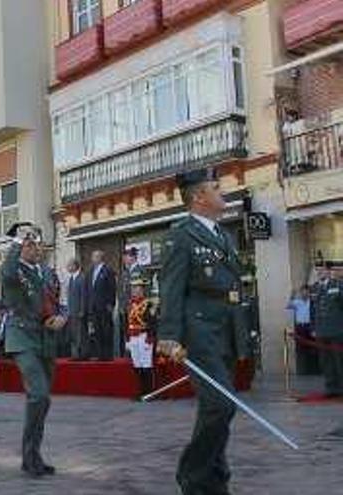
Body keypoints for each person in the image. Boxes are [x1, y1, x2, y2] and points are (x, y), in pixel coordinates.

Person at [157, 168, 248, 495]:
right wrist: (169, 335)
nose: (221, 191)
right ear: (198, 197)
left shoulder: (222, 235)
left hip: (224, 330)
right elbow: (171, 287)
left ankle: (214, 477)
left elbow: (232, 288)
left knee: (214, 407)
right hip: (199, 333)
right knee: (221, 405)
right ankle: (193, 474)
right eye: (215, 187)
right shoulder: (181, 234)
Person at [1, 222, 66, 478]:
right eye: (29, 243)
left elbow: (58, 301)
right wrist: (17, 241)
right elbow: (7, 272)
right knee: (38, 394)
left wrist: (62, 317)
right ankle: (30, 456)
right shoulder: (13, 270)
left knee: (43, 400)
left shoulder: (47, 272)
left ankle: (32, 456)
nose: (35, 247)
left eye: (37, 242)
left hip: (46, 338)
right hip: (22, 337)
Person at [310, 262, 343, 397]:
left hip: (337, 329)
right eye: (317, 270)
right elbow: (312, 310)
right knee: (325, 360)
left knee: (339, 359)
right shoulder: (315, 287)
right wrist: (313, 327)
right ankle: (330, 387)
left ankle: (341, 387)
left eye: (321, 270)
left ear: (328, 271)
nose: (319, 272)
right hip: (321, 330)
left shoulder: (338, 285)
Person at [126, 278, 155, 399]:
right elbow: (126, 322)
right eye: (133, 288)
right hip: (133, 336)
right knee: (137, 364)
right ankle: (140, 391)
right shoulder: (130, 304)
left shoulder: (149, 303)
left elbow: (153, 322)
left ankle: (149, 392)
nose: (135, 291)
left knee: (146, 364)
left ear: (142, 290)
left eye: (138, 288)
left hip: (144, 335)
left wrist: (150, 336)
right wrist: (127, 338)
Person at [86, 250, 116, 360]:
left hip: (104, 306)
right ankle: (99, 354)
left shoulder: (107, 270)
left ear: (100, 258)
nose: (92, 259)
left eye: (94, 256)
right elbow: (89, 290)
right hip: (94, 307)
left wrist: (111, 304)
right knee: (97, 331)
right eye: (92, 256)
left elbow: (112, 288)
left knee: (106, 330)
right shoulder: (91, 271)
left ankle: (108, 355)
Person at [287, 285, 319, 375]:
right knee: (301, 349)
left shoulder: (312, 302)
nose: (305, 293)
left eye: (307, 291)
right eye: (303, 292)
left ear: (309, 292)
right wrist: (292, 295)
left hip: (310, 327)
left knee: (313, 349)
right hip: (300, 327)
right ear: (301, 293)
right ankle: (302, 371)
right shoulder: (297, 302)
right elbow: (288, 306)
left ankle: (313, 370)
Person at [118, 247, 143, 356]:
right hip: (125, 308)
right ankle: (128, 353)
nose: (124, 259)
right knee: (127, 333)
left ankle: (136, 354)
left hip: (135, 309)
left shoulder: (139, 271)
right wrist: (121, 306)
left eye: (126, 256)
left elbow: (139, 292)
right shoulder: (125, 273)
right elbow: (121, 291)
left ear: (133, 257)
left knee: (136, 333)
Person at [65, 259, 88, 360]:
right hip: (71, 311)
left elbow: (84, 295)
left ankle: (83, 354)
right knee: (73, 334)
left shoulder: (81, 278)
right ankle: (75, 354)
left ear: (75, 266)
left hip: (78, 311)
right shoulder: (71, 278)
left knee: (80, 334)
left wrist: (82, 310)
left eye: (69, 265)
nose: (67, 267)